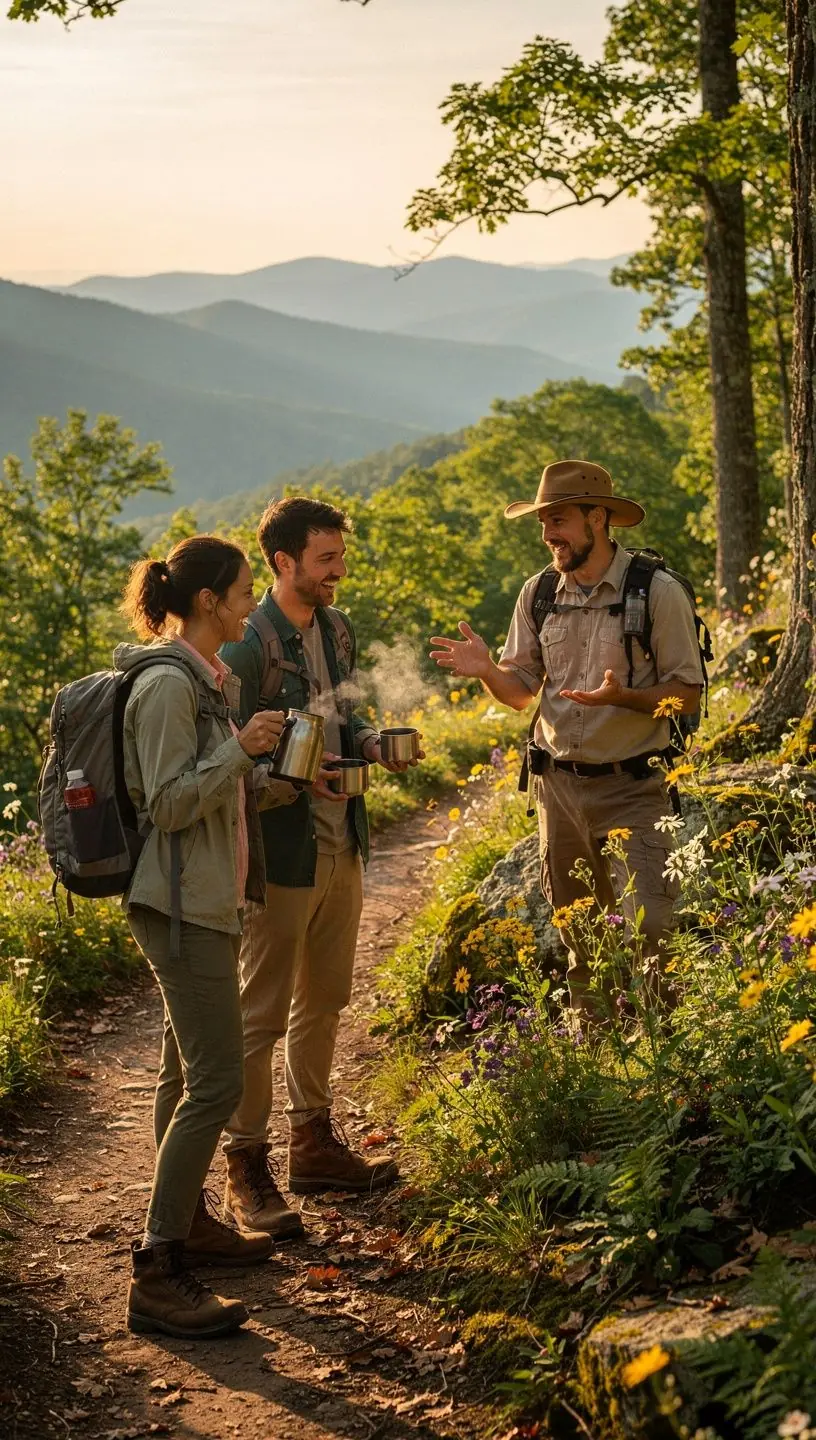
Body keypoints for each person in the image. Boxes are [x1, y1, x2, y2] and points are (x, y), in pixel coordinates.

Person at [430, 460, 703, 1019]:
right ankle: (596, 1056)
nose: (548, 534)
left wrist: (623, 698)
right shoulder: (539, 593)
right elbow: (520, 693)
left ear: (598, 518)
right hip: (557, 791)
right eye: (543, 523)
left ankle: (664, 1058)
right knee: (578, 933)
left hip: (634, 786)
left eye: (558, 520)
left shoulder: (657, 592)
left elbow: (689, 693)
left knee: (650, 927)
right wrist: (486, 669)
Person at [119, 535, 305, 1339]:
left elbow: (212, 797)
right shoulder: (166, 685)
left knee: (181, 1074)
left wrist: (276, 774)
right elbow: (165, 803)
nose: (245, 604)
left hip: (206, 902)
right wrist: (241, 748)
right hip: (181, 908)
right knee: (218, 1083)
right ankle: (158, 1269)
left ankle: (188, 1222)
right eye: (237, 593)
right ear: (206, 602)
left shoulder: (206, 680)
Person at [220, 497, 415, 1237]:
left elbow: (343, 719)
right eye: (327, 559)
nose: (340, 570)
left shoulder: (336, 629)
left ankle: (312, 1141)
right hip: (280, 848)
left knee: (326, 996)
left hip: (343, 834)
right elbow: (227, 760)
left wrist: (368, 747)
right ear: (284, 562)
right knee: (261, 1010)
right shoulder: (245, 645)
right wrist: (293, 777)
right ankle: (245, 1166)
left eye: (339, 556)